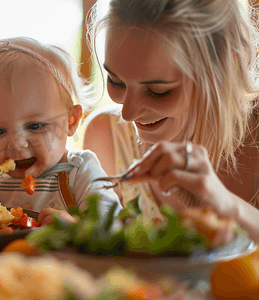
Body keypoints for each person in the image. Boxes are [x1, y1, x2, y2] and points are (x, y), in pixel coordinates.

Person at [83, 0, 259, 235]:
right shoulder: (106, 137)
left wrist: (227, 206)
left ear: (227, 67)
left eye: (158, 91)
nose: (128, 113)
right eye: (116, 81)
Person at [0, 37, 121, 225]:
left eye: (34, 126)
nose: (17, 143)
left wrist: (72, 229)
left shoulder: (81, 172)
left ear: (71, 122)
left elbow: (111, 228)